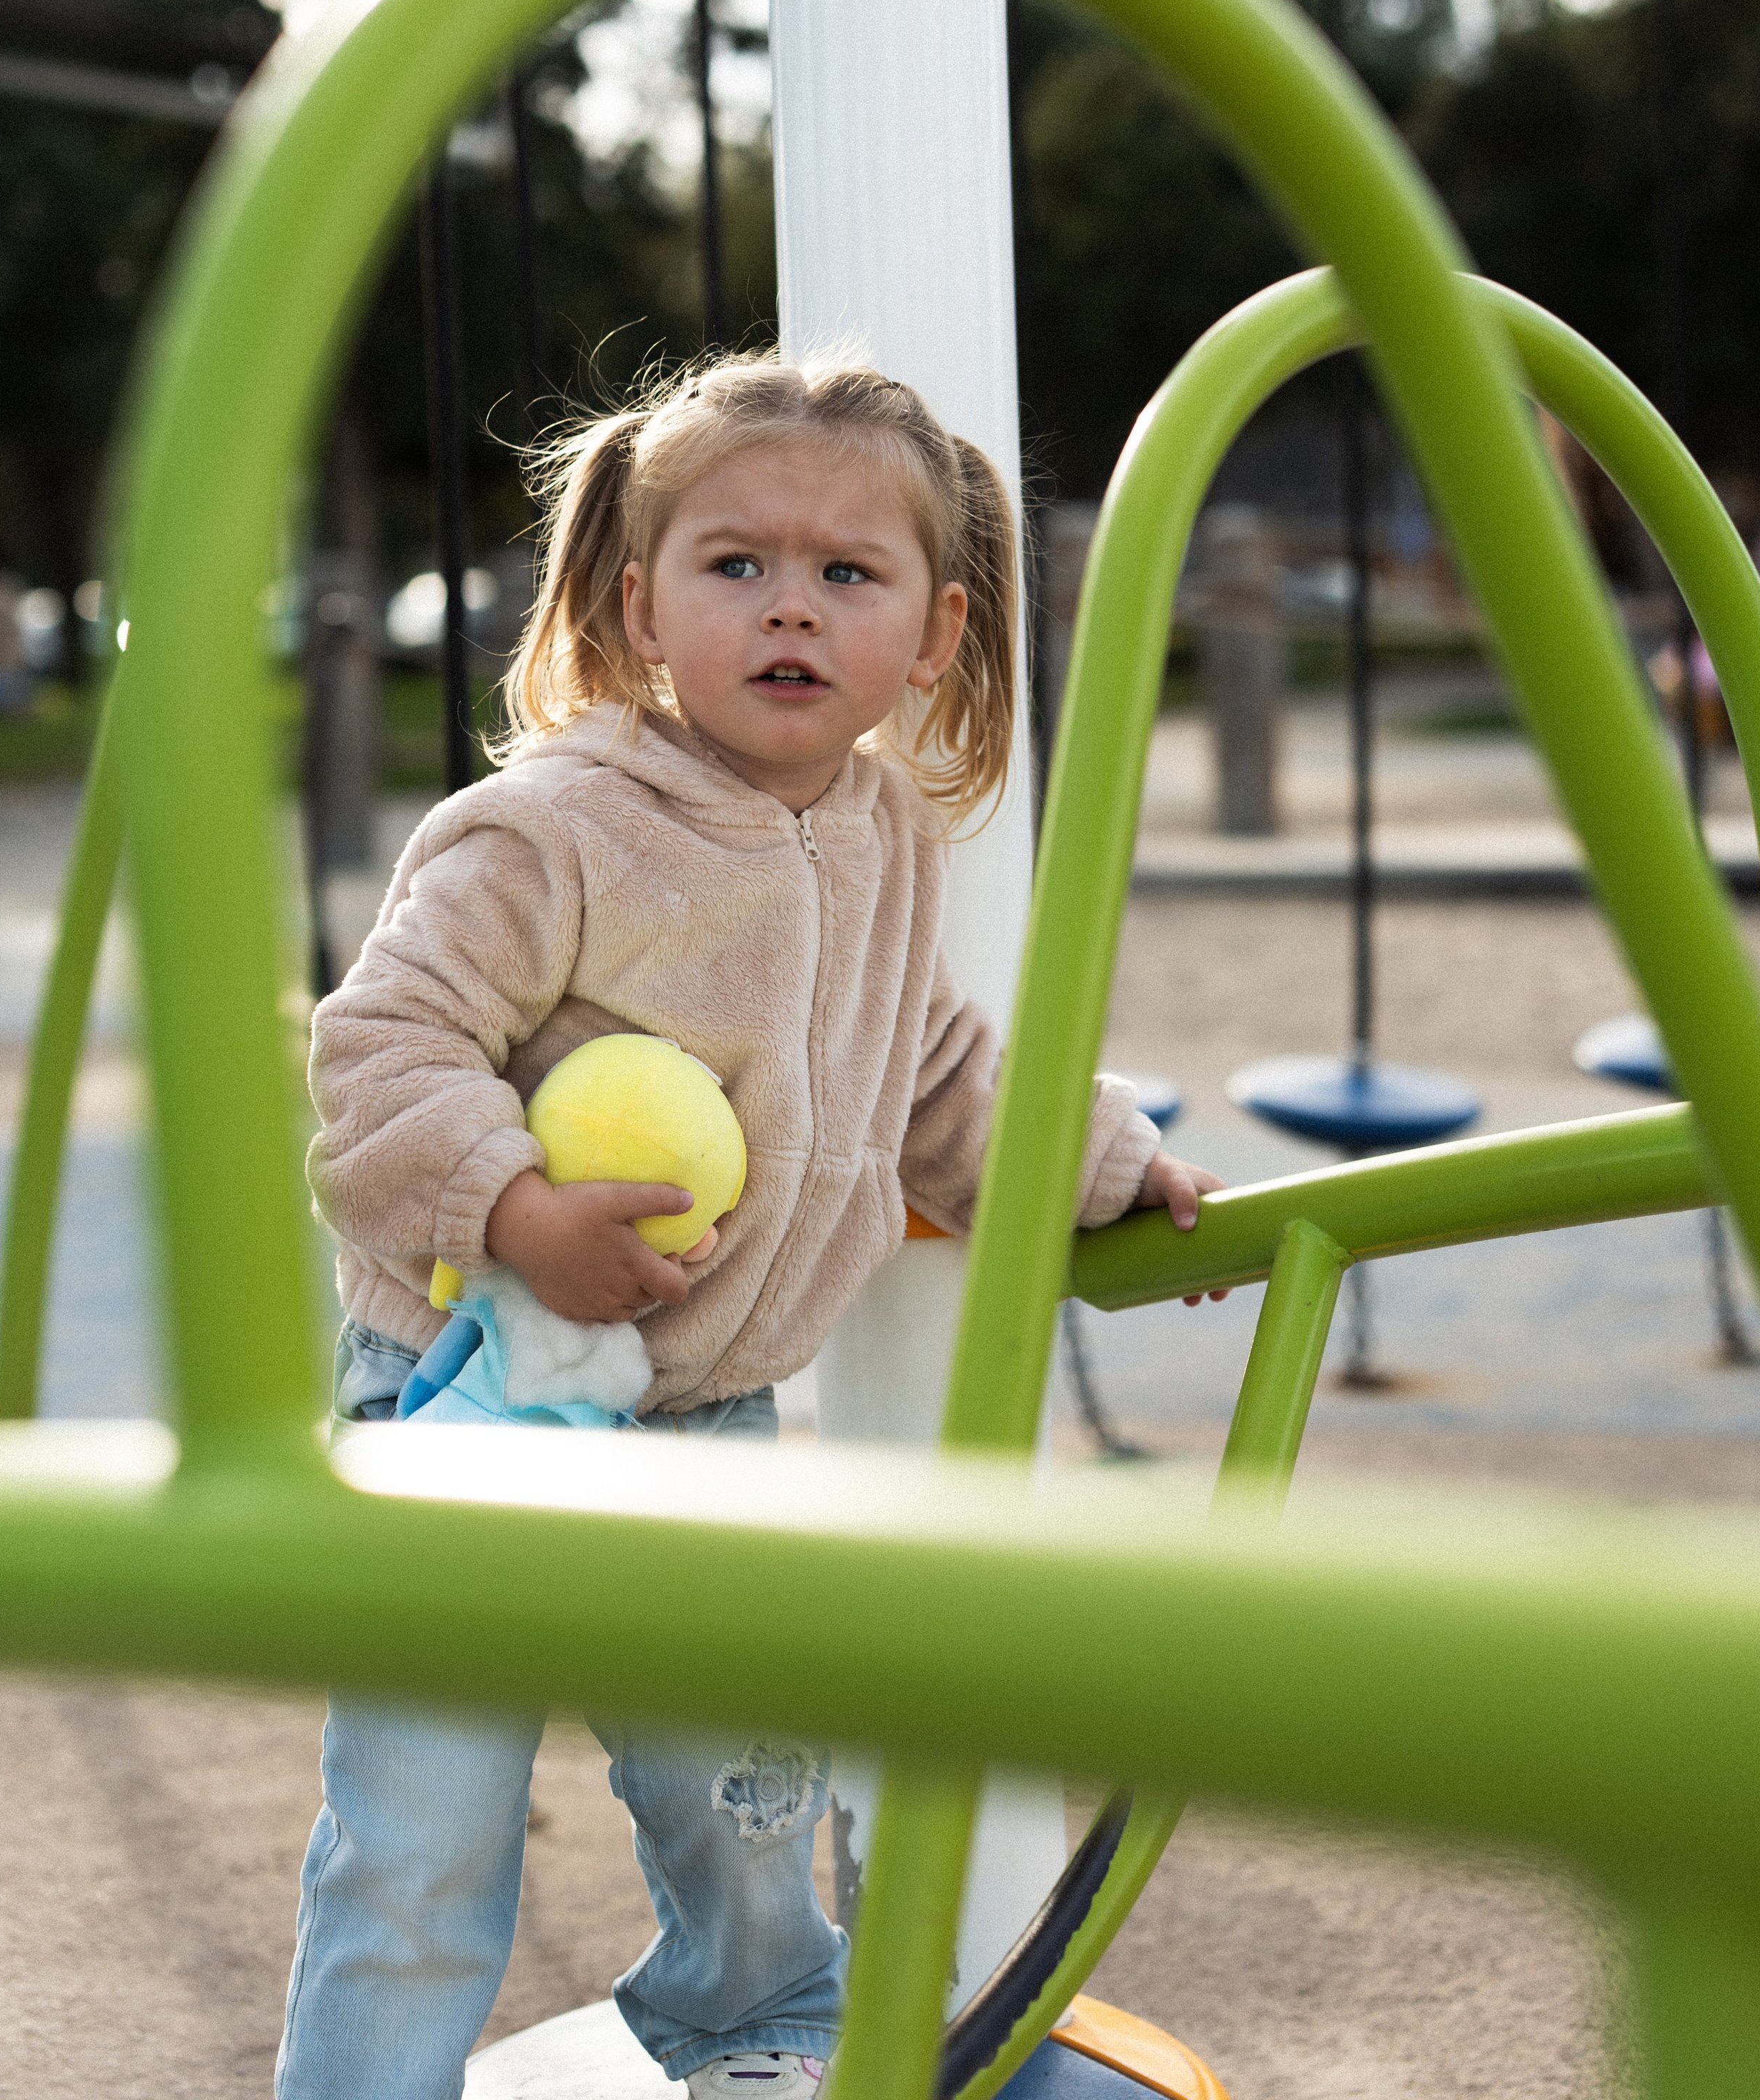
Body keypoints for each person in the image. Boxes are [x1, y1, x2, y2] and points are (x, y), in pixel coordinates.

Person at [277, 356, 1219, 2100]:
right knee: (422, 1820)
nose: (789, 604)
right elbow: (374, 1051)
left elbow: (930, 1075)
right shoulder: (549, 829)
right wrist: (514, 1204)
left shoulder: (878, 835)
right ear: (639, 606)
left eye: (845, 575)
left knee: (739, 1780)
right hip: (467, 1396)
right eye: (735, 565)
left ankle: (745, 2006)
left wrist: (1106, 1165)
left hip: (694, 1409)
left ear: (931, 636)